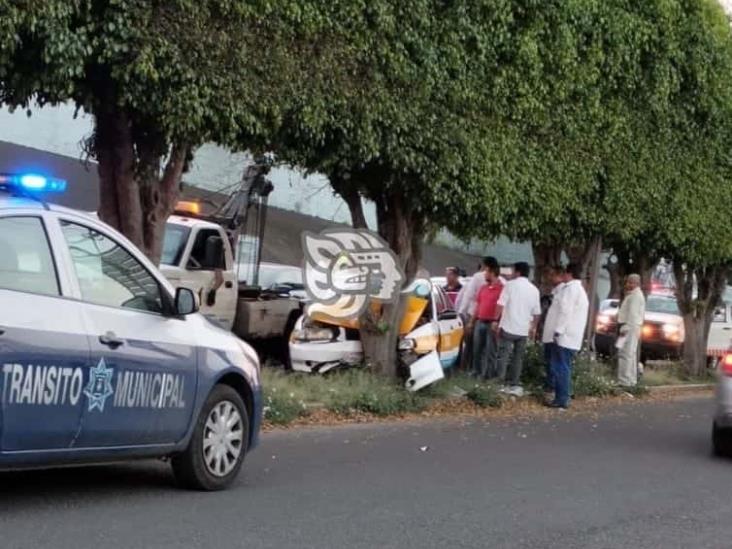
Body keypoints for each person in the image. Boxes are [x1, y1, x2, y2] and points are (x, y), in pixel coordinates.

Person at [493, 261, 541, 397]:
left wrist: (495, 321)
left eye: (513, 270)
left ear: (518, 272)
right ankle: (514, 383)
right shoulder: (534, 290)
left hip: (508, 326)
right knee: (518, 358)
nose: (512, 273)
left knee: (503, 356)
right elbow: (537, 313)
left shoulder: (510, 285)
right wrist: (533, 328)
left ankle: (499, 382)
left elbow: (500, 305)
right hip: (523, 330)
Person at [547, 263, 589, 409]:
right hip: (572, 335)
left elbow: (565, 311)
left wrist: (558, 330)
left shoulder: (570, 289)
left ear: (569, 273)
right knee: (563, 367)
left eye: (564, 273)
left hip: (565, 336)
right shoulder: (579, 289)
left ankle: (561, 398)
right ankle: (562, 397)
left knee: (560, 367)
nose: (563, 275)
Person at [457, 257, 499, 370]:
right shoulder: (501, 281)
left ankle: (467, 368)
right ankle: (483, 371)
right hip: (489, 318)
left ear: (486, 267)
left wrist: (461, 313)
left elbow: (468, 296)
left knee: (471, 346)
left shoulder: (477, 277)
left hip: (474, 315)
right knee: (487, 349)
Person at [471, 260, 503, 379]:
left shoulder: (502, 289)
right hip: (480, 321)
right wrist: (472, 321)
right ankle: (476, 372)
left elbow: (502, 307)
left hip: (492, 323)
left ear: (492, 272)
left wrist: (498, 321)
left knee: (490, 351)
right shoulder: (483, 288)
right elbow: (478, 305)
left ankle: (488, 375)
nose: (484, 274)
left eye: (486, 272)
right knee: (477, 349)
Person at [540, 265, 566, 395]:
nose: (550, 278)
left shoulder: (563, 292)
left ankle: (552, 386)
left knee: (553, 362)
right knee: (549, 360)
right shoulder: (554, 291)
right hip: (549, 332)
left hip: (554, 334)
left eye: (552, 275)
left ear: (560, 276)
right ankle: (549, 385)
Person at [617, 273, 646, 387]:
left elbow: (633, 315)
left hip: (628, 327)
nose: (627, 284)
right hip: (632, 327)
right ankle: (630, 380)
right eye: (628, 282)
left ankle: (624, 381)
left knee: (625, 353)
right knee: (630, 354)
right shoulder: (634, 294)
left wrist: (626, 328)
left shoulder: (635, 296)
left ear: (636, 283)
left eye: (630, 282)